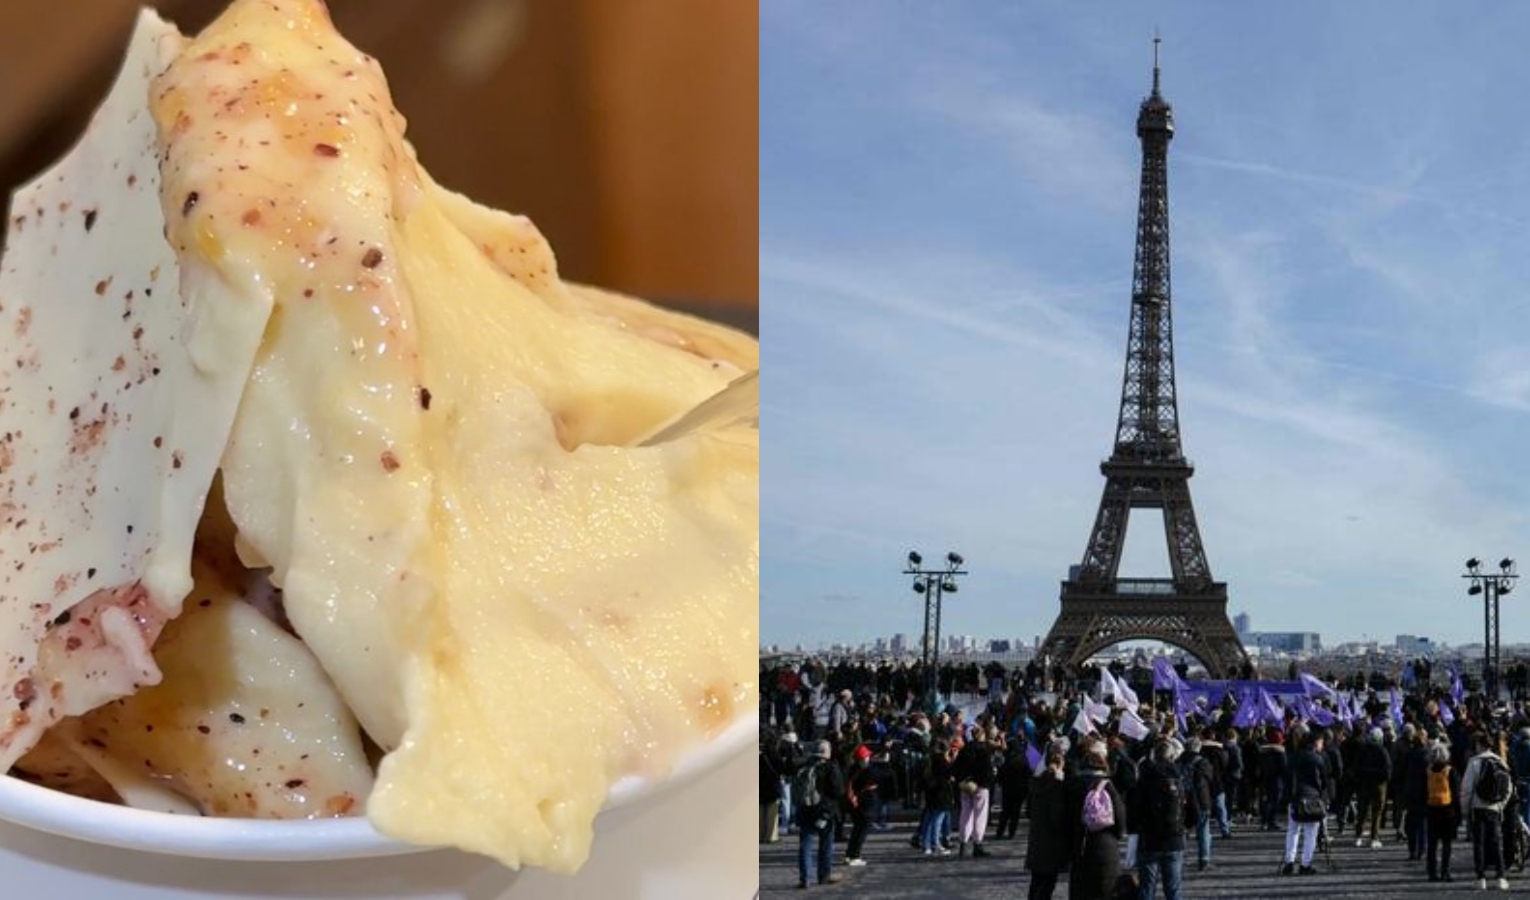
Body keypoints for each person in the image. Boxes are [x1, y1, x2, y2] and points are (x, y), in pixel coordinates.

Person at [1066, 736, 1124, 900]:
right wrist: (1116, 835)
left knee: (1081, 891)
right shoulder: (1108, 786)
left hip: (1080, 845)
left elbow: (1067, 817)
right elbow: (1120, 818)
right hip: (1106, 846)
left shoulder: (1074, 785)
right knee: (1105, 891)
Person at [1133, 736, 1184, 900]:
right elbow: (1191, 808)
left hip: (1149, 838)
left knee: (1147, 887)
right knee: (1173, 888)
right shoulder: (1180, 779)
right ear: (1171, 756)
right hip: (1174, 837)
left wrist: (1135, 828)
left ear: (1154, 756)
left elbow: (1134, 808)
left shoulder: (1145, 779)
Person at [1461, 730, 1513, 891]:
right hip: (1495, 808)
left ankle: (1481, 877)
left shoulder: (1474, 762)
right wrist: (1500, 804)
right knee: (1496, 842)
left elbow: (1467, 789)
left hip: (1478, 807)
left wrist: (1465, 809)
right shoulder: (1500, 761)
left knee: (1479, 843)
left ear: (1480, 745)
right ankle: (1501, 876)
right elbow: (1509, 788)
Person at [794, 740, 845, 889]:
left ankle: (805, 878)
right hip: (824, 811)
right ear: (826, 752)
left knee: (805, 845)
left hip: (805, 810)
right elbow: (838, 792)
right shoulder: (830, 767)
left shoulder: (804, 766)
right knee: (826, 844)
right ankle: (824, 875)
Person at [1026, 745, 1070, 900]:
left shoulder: (1036, 781)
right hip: (1051, 842)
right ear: (1059, 764)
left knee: (1036, 882)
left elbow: (1029, 811)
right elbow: (1056, 817)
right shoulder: (1057, 785)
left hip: (1037, 839)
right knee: (1047, 885)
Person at [1281, 729, 1328, 876]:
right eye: (1321, 742)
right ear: (1315, 743)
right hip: (1312, 798)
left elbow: (1286, 778)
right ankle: (1305, 864)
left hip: (1294, 798)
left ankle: (1289, 863)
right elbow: (1324, 781)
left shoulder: (1293, 757)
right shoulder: (1317, 758)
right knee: (1310, 834)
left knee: (1293, 831)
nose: (1322, 745)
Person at [1424, 740, 1461, 883]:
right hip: (1448, 810)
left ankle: (1431, 873)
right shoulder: (1450, 771)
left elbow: (1423, 791)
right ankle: (1445, 872)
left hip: (1432, 809)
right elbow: (1456, 793)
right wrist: (1458, 812)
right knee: (1447, 844)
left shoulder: (1427, 770)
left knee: (1432, 844)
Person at [954, 730, 995, 857]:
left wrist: (962, 780)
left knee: (965, 814)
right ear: (982, 735)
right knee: (980, 816)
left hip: (965, 785)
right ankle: (977, 844)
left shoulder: (965, 749)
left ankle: (963, 844)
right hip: (980, 786)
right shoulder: (984, 749)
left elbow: (956, 767)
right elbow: (987, 769)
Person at [1178, 736, 1215, 871]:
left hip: (1181, 800)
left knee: (1182, 831)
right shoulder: (1203, 762)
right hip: (1200, 799)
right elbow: (1209, 779)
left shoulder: (1178, 760)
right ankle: (1204, 859)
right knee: (1203, 829)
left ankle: (1179, 858)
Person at [1353, 726, 1392, 848]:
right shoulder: (1383, 751)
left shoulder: (1362, 750)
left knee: (1362, 811)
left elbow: (1356, 768)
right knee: (1377, 812)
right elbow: (1388, 772)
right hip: (1379, 786)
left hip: (1364, 784)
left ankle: (1358, 836)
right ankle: (1374, 838)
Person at [917, 738, 957, 856]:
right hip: (941, 794)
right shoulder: (942, 761)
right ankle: (935, 844)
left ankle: (926, 844)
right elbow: (950, 774)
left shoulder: (931, 759)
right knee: (937, 820)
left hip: (931, 793)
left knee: (928, 819)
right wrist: (952, 761)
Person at [843, 744, 877, 867]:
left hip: (855, 805)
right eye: (867, 757)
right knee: (861, 832)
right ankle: (855, 856)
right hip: (863, 806)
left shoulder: (853, 769)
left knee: (856, 831)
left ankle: (849, 854)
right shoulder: (866, 771)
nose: (869, 758)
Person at [995, 740, 1032, 840]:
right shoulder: (1025, 758)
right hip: (1020, 789)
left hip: (1007, 789)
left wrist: (1001, 783)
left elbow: (1000, 775)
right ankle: (1011, 833)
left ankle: (999, 832)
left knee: (1005, 811)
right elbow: (1029, 774)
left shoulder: (1006, 758)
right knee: (1015, 812)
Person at [1258, 729, 1288, 831]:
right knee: (1274, 801)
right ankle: (1271, 822)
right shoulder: (1280, 752)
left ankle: (1264, 821)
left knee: (1266, 801)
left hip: (1264, 779)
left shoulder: (1262, 751)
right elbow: (1284, 767)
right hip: (1277, 779)